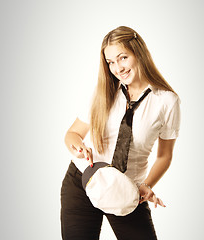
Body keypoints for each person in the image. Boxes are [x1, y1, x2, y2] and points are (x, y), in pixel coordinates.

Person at [60, 26, 181, 240]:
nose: (118, 68)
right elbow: (72, 134)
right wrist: (79, 147)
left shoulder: (167, 101)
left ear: (138, 53)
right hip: (83, 181)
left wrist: (147, 185)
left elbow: (165, 155)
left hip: (126, 191)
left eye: (123, 57)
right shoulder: (105, 91)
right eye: (110, 62)